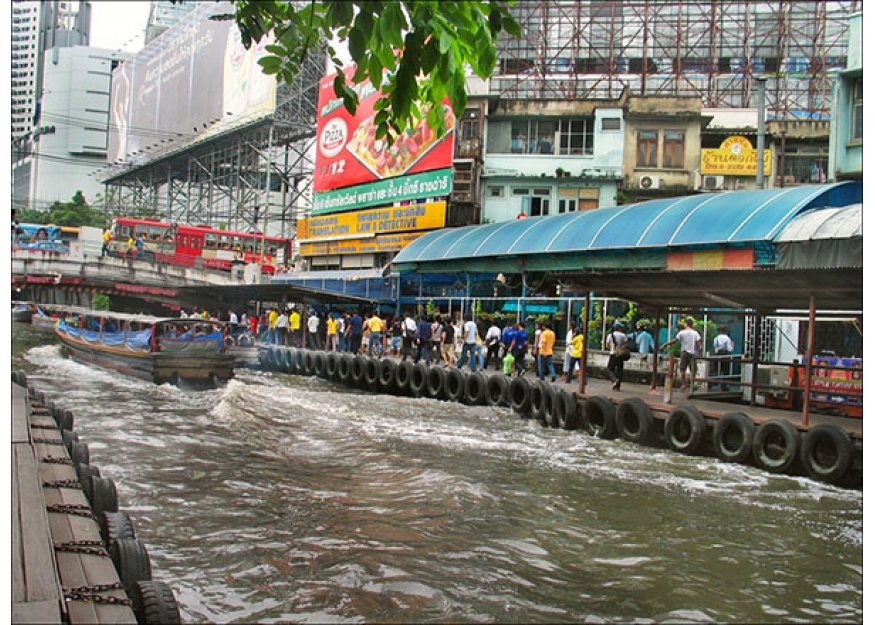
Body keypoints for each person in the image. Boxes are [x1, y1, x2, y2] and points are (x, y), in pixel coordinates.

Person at [660, 317, 702, 391]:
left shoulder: (682, 332)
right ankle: (692, 384)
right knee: (694, 370)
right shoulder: (695, 333)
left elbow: (674, 341)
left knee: (682, 369)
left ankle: (683, 384)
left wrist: (665, 344)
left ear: (686, 324)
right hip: (692, 353)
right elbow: (698, 344)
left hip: (684, 353)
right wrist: (699, 352)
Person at [605, 321, 628, 391]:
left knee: (610, 368)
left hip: (613, 354)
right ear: (619, 328)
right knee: (620, 370)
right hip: (620, 354)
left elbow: (607, 345)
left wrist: (613, 347)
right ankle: (618, 385)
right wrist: (620, 348)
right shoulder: (623, 335)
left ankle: (614, 380)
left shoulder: (610, 335)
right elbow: (626, 345)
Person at [713, 325, 735, 390]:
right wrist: (732, 346)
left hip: (717, 355)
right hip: (725, 355)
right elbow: (729, 349)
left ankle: (713, 383)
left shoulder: (716, 338)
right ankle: (724, 385)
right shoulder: (727, 338)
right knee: (726, 371)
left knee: (717, 369)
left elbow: (715, 347)